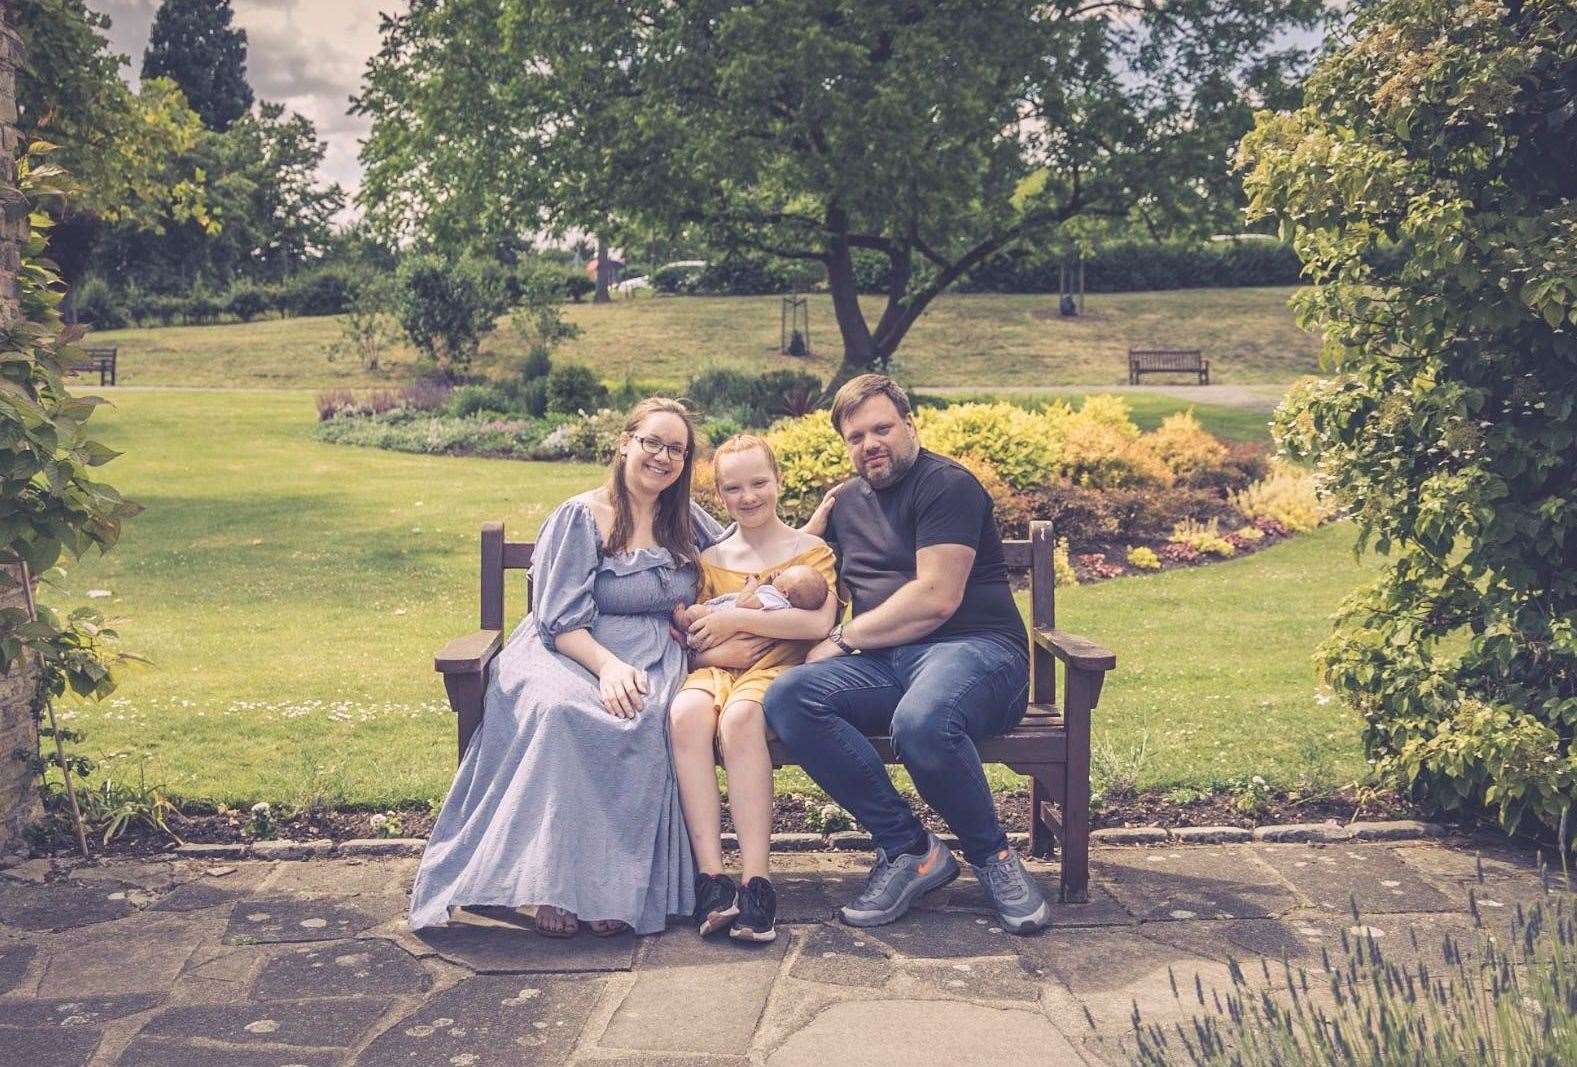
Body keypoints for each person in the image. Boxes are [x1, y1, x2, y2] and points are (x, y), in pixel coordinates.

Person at [407, 398, 769, 938]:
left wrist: (808, 545)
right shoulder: (581, 515)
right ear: (625, 443)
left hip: (655, 653)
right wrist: (607, 668)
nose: (664, 457)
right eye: (653, 442)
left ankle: (608, 887)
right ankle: (554, 885)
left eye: (677, 449)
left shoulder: (684, 518)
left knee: (647, 718)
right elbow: (557, 619)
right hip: (571, 648)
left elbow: (751, 556)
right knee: (562, 714)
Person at [764, 374, 1052, 934]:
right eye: (855, 436)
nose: (869, 444)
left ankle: (993, 857)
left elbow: (936, 599)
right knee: (790, 697)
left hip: (975, 650)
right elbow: (791, 586)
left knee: (923, 722)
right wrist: (808, 539)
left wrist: (844, 640)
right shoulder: (844, 503)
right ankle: (910, 849)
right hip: (887, 663)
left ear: (910, 426)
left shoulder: (947, 486)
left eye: (881, 428)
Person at [669, 434, 839, 943]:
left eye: (759, 483)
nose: (749, 497)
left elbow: (814, 625)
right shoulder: (712, 558)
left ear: (778, 481)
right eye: (734, 488)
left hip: (777, 671)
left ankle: (757, 881)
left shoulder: (810, 554)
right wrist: (718, 644)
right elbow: (693, 643)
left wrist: (738, 620)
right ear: (720, 496)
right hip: (717, 670)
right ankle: (712, 880)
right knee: (685, 715)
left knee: (741, 720)